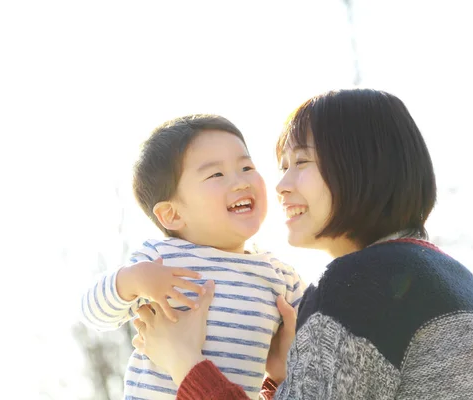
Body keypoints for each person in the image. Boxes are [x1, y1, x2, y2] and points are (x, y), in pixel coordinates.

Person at [131, 89, 473, 399]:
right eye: (281, 167)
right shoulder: (443, 277)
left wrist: (184, 363)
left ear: (360, 165)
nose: (281, 185)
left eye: (301, 163)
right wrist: (283, 374)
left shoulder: (361, 283)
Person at [80, 114, 305, 399]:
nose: (240, 182)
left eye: (246, 167)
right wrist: (131, 281)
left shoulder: (277, 275)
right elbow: (92, 312)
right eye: (216, 174)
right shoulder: (161, 259)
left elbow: (316, 342)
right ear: (172, 214)